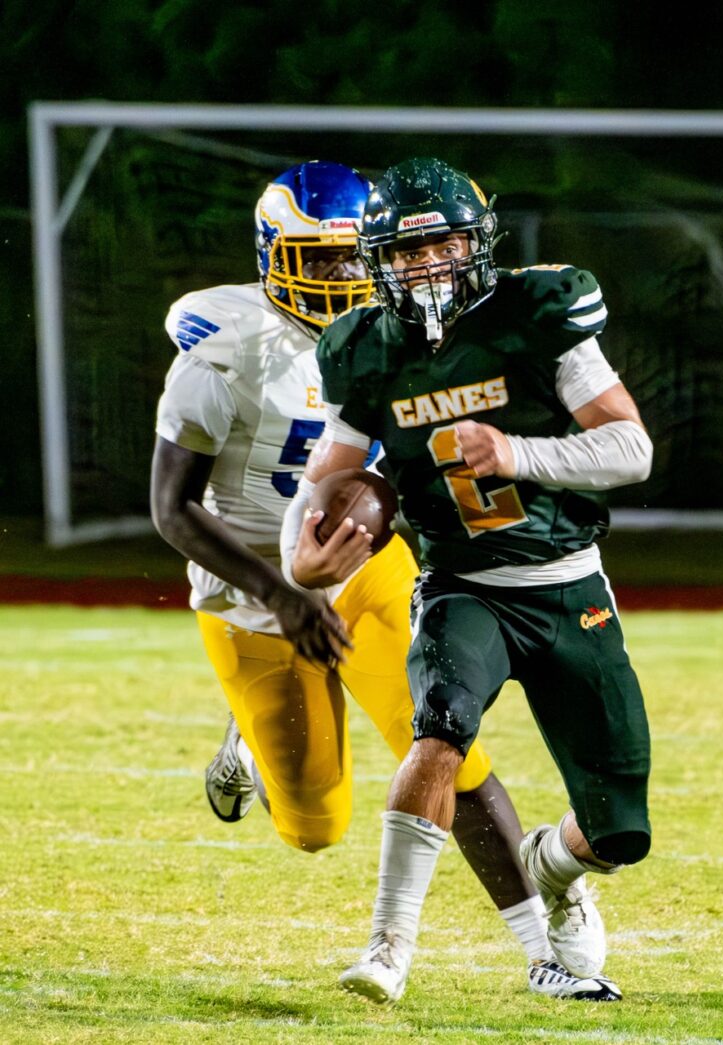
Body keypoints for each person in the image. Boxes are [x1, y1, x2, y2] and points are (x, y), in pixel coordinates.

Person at [150, 160, 621, 1003]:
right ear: (274, 255)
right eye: (315, 259)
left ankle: (540, 946)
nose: (337, 278)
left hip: (370, 568)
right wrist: (286, 593)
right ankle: (247, 743)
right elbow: (171, 510)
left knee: (445, 741)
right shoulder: (220, 355)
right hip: (252, 594)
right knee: (313, 825)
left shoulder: (402, 333)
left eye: (346, 260)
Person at [283, 156, 653, 1006]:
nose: (426, 268)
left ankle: (554, 867)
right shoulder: (367, 349)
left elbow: (632, 450)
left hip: (567, 583)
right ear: (381, 262)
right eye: (405, 254)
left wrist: (518, 452)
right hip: (461, 583)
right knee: (438, 734)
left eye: (442, 245)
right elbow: (328, 483)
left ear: (477, 243)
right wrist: (303, 560)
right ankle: (388, 947)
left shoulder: (537, 313)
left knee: (619, 828)